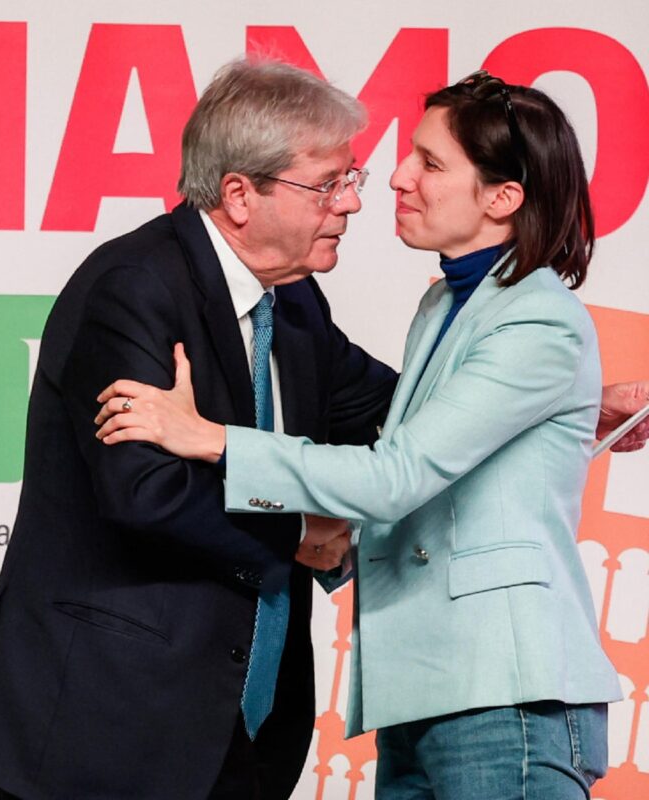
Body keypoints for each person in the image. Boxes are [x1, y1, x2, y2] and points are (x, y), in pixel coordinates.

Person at [94, 71, 649, 798]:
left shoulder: (537, 319)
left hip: (502, 692)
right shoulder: (450, 303)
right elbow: (425, 435)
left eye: (430, 163)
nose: (395, 178)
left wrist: (213, 439)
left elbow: (397, 474)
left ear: (502, 198)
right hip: (423, 693)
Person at [0, 59, 400, 800]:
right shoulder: (133, 286)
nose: (352, 203)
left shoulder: (294, 304)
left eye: (354, 178)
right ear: (239, 194)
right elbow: (145, 492)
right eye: (327, 183)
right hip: (107, 726)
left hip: (237, 732)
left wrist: (562, 398)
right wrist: (299, 534)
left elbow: (393, 408)